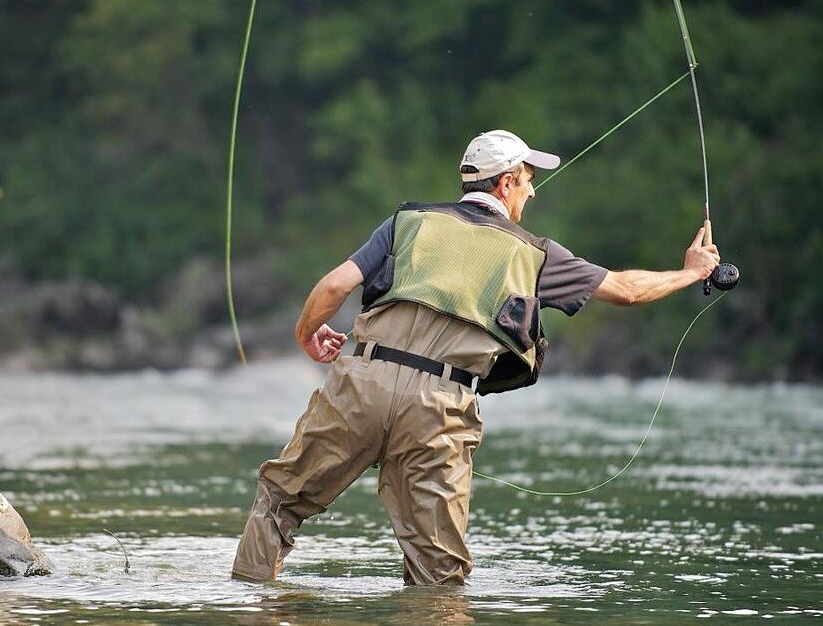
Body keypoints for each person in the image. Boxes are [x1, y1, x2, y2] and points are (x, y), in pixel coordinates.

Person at [231, 129, 721, 585]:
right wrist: (690, 273)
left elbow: (336, 285)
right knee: (438, 567)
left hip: (362, 381)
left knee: (279, 502)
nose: (532, 191)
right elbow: (626, 290)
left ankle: (252, 607)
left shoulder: (408, 223)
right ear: (506, 182)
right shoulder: (535, 253)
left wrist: (306, 335)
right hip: (440, 406)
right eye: (529, 180)